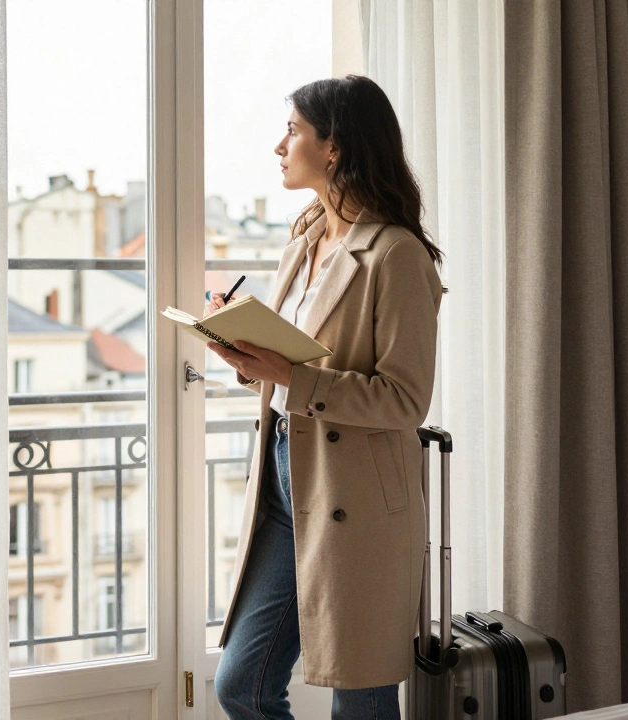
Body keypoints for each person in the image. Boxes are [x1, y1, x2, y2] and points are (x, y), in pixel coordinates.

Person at [206, 75, 444, 720]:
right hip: (285, 483)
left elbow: (404, 400)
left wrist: (289, 376)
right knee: (242, 685)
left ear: (333, 146)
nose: (279, 146)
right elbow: (294, 362)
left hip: (357, 495)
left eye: (293, 131)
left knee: (360, 697)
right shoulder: (305, 237)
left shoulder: (397, 255)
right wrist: (243, 353)